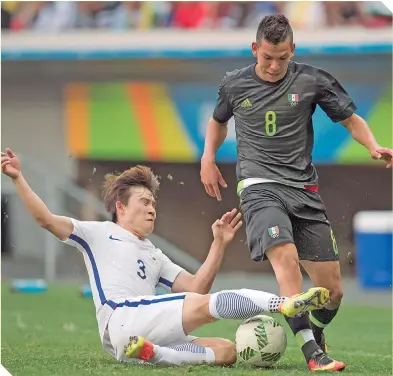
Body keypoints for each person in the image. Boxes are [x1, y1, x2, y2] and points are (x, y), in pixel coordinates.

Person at [1, 147, 330, 367]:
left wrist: (218, 244)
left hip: (138, 339)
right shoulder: (96, 232)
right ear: (120, 207)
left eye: (153, 203)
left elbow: (197, 288)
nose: (151, 207)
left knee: (227, 352)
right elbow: (46, 219)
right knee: (207, 307)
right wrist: (18, 177)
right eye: (143, 201)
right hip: (123, 317)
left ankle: (156, 355)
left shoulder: (154, 254)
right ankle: (282, 304)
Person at [200, 14, 393, 372]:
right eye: (267, 57)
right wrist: (208, 157)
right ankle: (312, 354)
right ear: (255, 49)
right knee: (286, 259)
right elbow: (218, 120)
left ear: (293, 51)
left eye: (282, 58)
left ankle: (315, 331)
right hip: (259, 188)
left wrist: (373, 145)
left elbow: (351, 119)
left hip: (303, 191)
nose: (274, 66)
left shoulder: (313, 80)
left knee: (331, 292)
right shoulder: (234, 84)